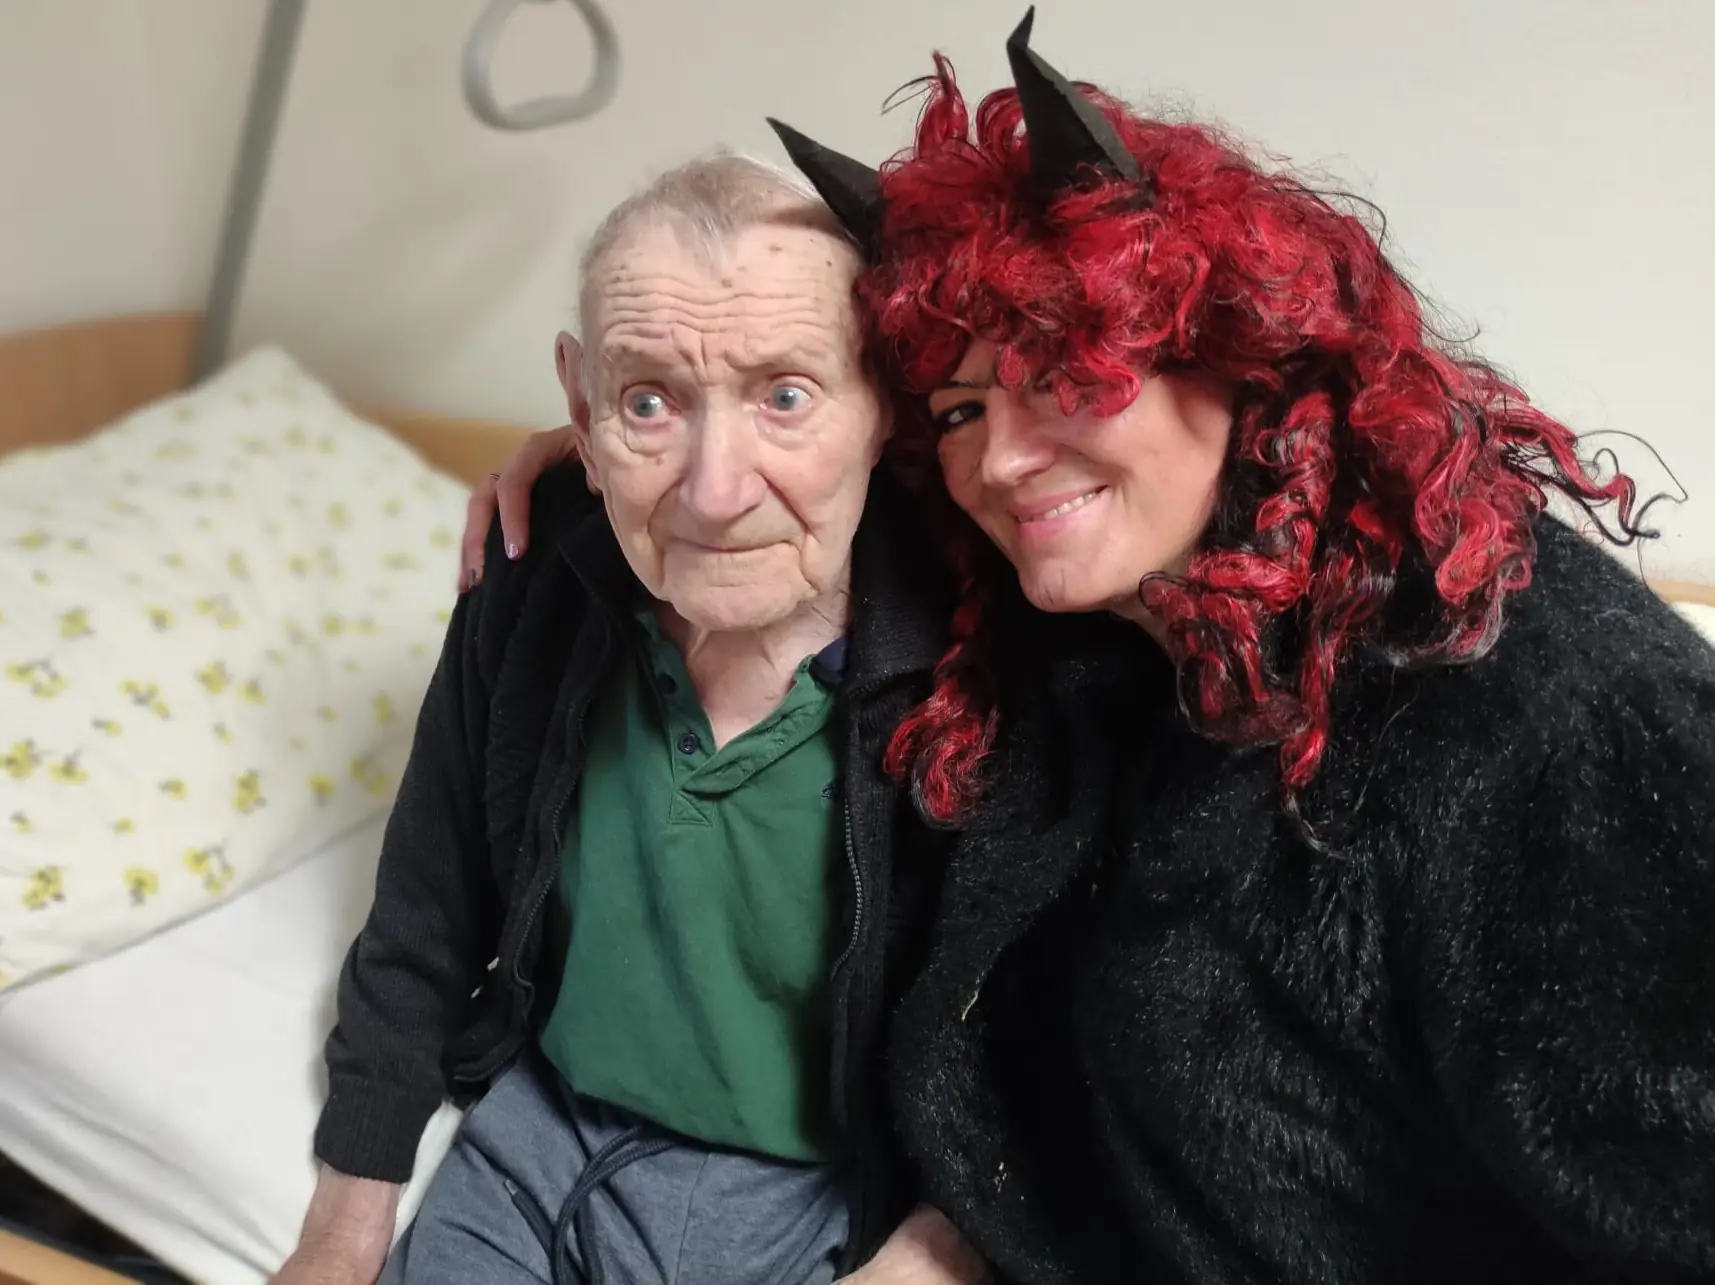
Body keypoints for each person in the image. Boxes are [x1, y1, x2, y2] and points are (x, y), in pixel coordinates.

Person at [462, 11, 1715, 1284]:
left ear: (1241, 352)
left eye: (1065, 372)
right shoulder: (1087, 629)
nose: (1002, 459)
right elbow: (756, 474)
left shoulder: (1550, 713)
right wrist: (600, 458)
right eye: (961, 407)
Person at [274, 152, 994, 1285]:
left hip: (805, 1198)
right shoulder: (534, 578)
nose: (714, 491)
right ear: (579, 404)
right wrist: (338, 1235)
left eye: (785, 396)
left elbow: (1033, 1037)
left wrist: (931, 1250)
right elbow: (426, 911)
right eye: (648, 402)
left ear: (882, 407)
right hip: (531, 1143)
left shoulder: (980, 655)